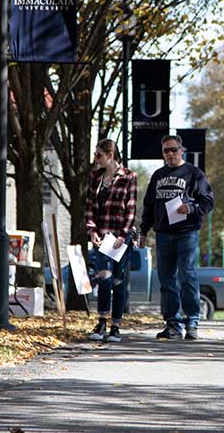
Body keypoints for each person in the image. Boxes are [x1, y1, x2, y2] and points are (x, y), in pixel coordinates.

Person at [139, 134, 215, 340]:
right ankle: (173, 324)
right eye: (166, 151)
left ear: (182, 150)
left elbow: (208, 201)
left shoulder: (194, 174)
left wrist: (190, 207)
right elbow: (148, 206)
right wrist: (143, 231)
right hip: (163, 234)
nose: (170, 154)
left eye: (174, 150)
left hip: (186, 233)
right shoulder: (157, 175)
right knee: (166, 280)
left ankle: (192, 321)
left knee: (187, 275)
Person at [85, 139, 138, 343]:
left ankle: (116, 325)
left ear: (110, 155)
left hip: (120, 237)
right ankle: (102, 321)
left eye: (99, 155)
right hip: (102, 236)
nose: (96, 159)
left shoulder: (129, 177)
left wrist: (124, 236)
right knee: (103, 278)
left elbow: (131, 209)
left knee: (118, 280)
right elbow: (89, 205)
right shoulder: (96, 177)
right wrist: (92, 230)